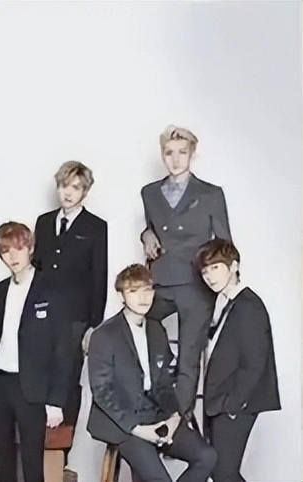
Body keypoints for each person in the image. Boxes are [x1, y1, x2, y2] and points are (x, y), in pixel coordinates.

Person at [87, 264, 217, 482]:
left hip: (157, 414)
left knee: (207, 457)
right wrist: (137, 429)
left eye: (147, 290)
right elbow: (102, 391)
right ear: (121, 296)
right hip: (124, 421)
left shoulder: (156, 330)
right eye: (133, 291)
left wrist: (174, 417)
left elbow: (165, 382)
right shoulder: (104, 335)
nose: (143, 298)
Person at [140, 124, 231, 414]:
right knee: (139, 320)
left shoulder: (210, 194)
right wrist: (146, 235)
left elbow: (224, 245)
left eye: (182, 152)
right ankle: (162, 376)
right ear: (162, 155)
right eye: (169, 153)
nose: (176, 159)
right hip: (162, 280)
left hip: (195, 285)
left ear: (192, 154)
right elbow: (153, 227)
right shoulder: (149, 193)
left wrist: (226, 289)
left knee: (189, 359)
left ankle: (179, 422)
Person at [32, 160, 107, 473]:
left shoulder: (95, 227)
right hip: (43, 316)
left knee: (68, 379)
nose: (68, 192)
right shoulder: (44, 222)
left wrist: (93, 325)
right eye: (65, 185)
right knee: (40, 377)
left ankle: (63, 458)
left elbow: (99, 277)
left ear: (85, 191)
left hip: (76, 318)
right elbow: (36, 269)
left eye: (75, 187)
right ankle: (39, 453)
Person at [0, 222, 72, 482]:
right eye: (5, 251)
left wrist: (56, 401)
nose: (12, 256)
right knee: (2, 463)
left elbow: (64, 349)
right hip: (0, 384)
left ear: (30, 248)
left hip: (33, 389)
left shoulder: (53, 290)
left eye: (18, 248)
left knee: (33, 466)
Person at [196, 239, 280, 482]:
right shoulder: (222, 302)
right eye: (205, 271)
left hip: (233, 403)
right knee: (220, 472)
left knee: (223, 472)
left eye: (215, 268)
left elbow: (255, 361)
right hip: (218, 401)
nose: (209, 276)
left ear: (233, 267)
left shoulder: (248, 305)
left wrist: (234, 404)